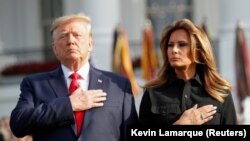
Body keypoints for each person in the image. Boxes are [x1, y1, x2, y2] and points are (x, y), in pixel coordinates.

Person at [10, 13, 138, 141]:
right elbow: (18, 124)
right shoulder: (35, 84)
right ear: (54, 48)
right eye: (63, 36)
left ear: (90, 44)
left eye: (77, 35)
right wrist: (69, 105)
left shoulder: (118, 85)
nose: (71, 41)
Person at [139, 18, 237, 125]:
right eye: (170, 45)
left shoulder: (220, 92)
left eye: (182, 44)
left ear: (198, 51)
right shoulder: (153, 93)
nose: (174, 50)